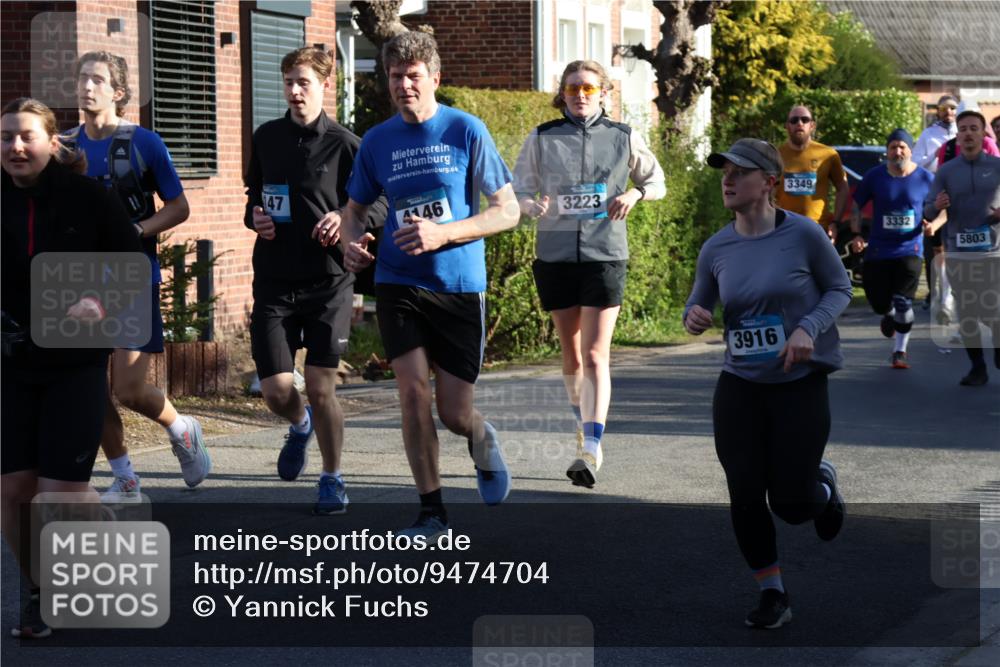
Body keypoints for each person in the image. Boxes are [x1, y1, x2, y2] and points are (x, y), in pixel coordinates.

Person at [340, 31, 519, 539]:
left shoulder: (465, 130)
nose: (404, 86)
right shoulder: (377, 142)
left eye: (413, 76)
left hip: (459, 285)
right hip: (399, 282)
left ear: (434, 79)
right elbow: (354, 212)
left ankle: (482, 437)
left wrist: (446, 232)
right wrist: (351, 246)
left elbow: (507, 210)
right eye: (395, 77)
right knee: (413, 394)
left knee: (454, 412)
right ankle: (432, 510)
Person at [684, 138, 852, 629]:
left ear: (769, 182)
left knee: (792, 504)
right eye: (724, 173)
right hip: (740, 385)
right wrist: (694, 315)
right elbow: (700, 303)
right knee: (744, 490)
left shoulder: (802, 235)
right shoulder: (716, 246)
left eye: (740, 172)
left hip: (798, 382)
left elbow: (840, 287)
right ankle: (772, 593)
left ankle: (821, 486)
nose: (727, 180)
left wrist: (807, 328)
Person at [2, 97, 143, 638]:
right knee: (14, 494)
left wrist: (99, 304)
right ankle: (41, 592)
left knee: (59, 495)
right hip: (12, 366)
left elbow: (134, 269)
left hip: (74, 364)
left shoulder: (89, 199)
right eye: (6, 137)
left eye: (26, 136)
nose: (15, 146)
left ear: (52, 142)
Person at [244, 47, 386, 515]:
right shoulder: (266, 137)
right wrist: (256, 218)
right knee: (276, 391)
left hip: (329, 281)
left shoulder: (349, 144)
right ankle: (299, 423)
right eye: (288, 82)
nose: (295, 91)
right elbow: (254, 198)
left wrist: (345, 217)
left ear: (325, 85)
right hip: (274, 281)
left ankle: (332, 477)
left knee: (322, 387)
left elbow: (382, 204)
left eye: (304, 82)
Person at [512, 59, 665, 487]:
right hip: (556, 255)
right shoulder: (543, 137)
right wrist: (530, 205)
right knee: (572, 354)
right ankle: (583, 429)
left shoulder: (623, 136)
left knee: (597, 353)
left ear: (603, 93)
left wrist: (635, 193)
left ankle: (592, 446)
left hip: (605, 254)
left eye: (589, 89)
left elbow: (657, 181)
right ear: (562, 93)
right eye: (573, 88)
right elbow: (519, 188)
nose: (581, 95)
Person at [67, 51, 209, 499]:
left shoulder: (144, 143)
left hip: (130, 276)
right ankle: (126, 478)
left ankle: (181, 427)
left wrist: (138, 229)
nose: (87, 87)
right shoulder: (65, 146)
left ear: (119, 92)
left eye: (97, 80)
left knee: (127, 389)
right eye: (82, 79)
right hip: (78, 281)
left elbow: (179, 206)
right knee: (89, 388)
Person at [923, 110, 1000, 386]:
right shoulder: (946, 171)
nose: (968, 133)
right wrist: (938, 205)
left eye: (973, 128)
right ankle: (977, 367)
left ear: (982, 134)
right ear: (958, 135)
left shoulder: (997, 165)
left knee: (993, 309)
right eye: (963, 129)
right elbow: (928, 209)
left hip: (993, 253)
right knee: (968, 312)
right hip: (958, 252)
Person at [847, 129, 935, 368]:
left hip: (911, 248)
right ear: (887, 151)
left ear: (910, 150)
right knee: (878, 303)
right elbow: (856, 205)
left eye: (902, 147)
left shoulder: (926, 178)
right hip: (878, 250)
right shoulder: (875, 176)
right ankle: (886, 313)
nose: (898, 151)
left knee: (904, 301)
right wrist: (856, 234)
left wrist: (933, 225)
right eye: (893, 147)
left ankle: (900, 351)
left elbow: (942, 206)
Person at [774, 105, 849, 241]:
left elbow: (843, 187)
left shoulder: (828, 155)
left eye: (805, 119)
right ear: (787, 126)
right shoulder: (775, 155)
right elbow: (766, 191)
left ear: (812, 125)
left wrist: (835, 223)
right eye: (794, 120)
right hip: (784, 229)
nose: (799, 123)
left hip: (818, 229)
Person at [913, 95, 959, 314]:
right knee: (936, 248)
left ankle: (951, 295)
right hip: (934, 191)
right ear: (938, 111)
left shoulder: (963, 132)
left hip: (959, 194)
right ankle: (935, 292)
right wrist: (937, 153)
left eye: (952, 108)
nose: (948, 112)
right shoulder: (929, 134)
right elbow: (915, 162)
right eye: (944, 108)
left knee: (955, 246)